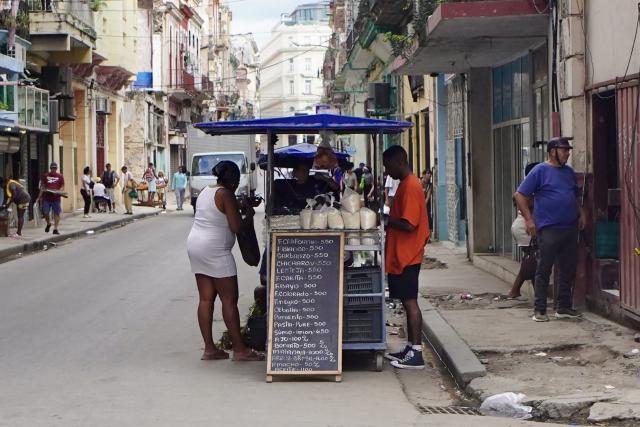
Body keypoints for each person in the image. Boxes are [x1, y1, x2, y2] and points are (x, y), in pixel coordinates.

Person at [187, 160, 264, 361]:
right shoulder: (226, 194)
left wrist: (243, 204)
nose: (237, 185)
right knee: (229, 299)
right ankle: (240, 349)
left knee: (206, 299)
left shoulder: (206, 190)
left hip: (196, 246)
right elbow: (236, 226)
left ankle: (209, 348)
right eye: (237, 181)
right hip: (216, 250)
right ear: (232, 180)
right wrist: (250, 214)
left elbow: (218, 210)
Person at [515, 137, 587, 322]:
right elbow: (520, 195)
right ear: (553, 151)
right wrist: (529, 220)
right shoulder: (540, 170)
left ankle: (563, 307)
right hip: (548, 228)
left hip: (569, 227)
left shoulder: (569, 172)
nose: (568, 153)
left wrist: (582, 213)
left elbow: (574, 195)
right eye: (564, 150)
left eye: (568, 150)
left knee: (568, 268)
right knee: (544, 268)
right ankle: (539, 310)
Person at [382, 145, 430, 369]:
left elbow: (410, 224)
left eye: (388, 165)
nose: (386, 170)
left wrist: (384, 219)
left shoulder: (411, 185)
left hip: (408, 254)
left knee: (410, 302)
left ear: (399, 161)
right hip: (401, 254)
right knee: (404, 300)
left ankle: (417, 353)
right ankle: (410, 347)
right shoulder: (405, 184)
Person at [508, 162, 540, 299]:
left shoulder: (533, 187)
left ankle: (536, 294)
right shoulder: (530, 189)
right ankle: (515, 291)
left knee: (531, 260)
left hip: (522, 227)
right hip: (525, 228)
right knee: (532, 261)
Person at [274, 162, 340, 212]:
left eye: (307, 169)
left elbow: (336, 188)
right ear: (295, 172)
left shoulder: (316, 181)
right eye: (303, 170)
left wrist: (325, 178)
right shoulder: (288, 185)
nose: (306, 172)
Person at [39, 162, 65, 235]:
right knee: (46, 212)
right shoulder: (45, 176)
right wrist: (39, 197)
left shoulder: (60, 176)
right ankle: (48, 223)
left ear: (56, 169)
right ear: (50, 168)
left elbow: (62, 186)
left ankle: (55, 228)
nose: (53, 169)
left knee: (57, 213)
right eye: (52, 168)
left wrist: (58, 191)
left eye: (55, 168)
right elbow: (42, 186)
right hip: (46, 198)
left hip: (56, 198)